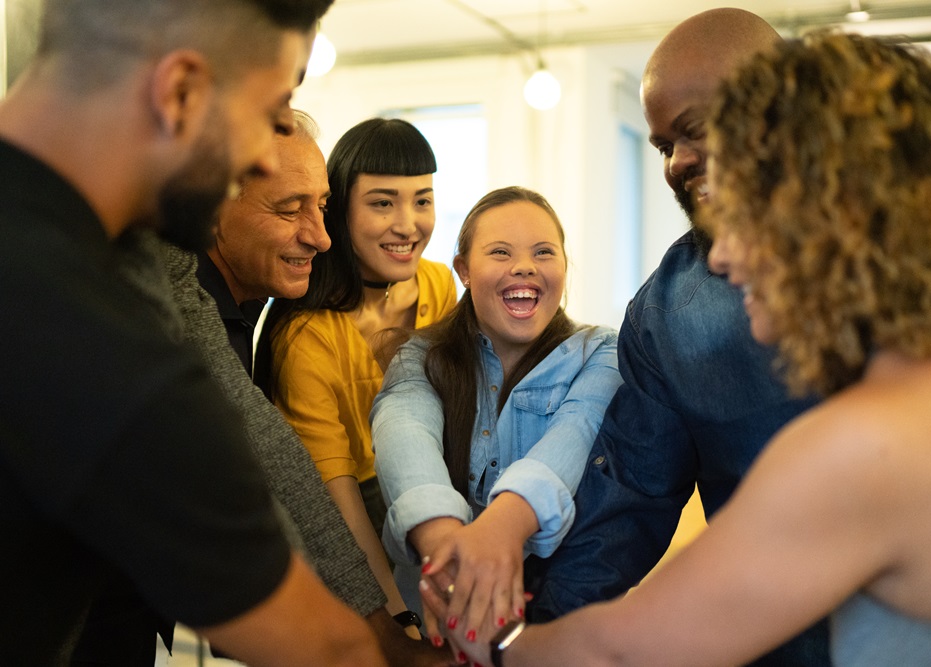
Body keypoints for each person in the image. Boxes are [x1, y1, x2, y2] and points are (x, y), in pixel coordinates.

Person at [444, 30, 931, 667]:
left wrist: (490, 641)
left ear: (841, 217)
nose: (725, 256)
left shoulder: (865, 446)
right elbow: (631, 496)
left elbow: (621, 651)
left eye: (752, 217)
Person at [0, 0, 387, 664]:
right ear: (179, 91)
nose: (268, 157)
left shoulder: (114, 278)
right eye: (269, 115)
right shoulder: (105, 345)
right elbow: (331, 651)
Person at [74, 111, 449, 665]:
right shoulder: (184, 300)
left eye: (320, 207)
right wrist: (374, 629)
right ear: (210, 209)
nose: (320, 237)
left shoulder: (252, 303)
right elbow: (266, 474)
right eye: (288, 208)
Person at [529, 8, 829, 664]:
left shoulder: (918, 269)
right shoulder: (668, 308)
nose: (677, 164)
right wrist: (536, 631)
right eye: (664, 145)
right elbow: (629, 495)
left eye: (693, 133)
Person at [372, 186, 622, 659]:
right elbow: (403, 434)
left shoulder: (602, 352)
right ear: (463, 269)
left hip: (556, 632)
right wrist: (445, 547)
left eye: (543, 252)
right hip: (431, 632)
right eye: (500, 252)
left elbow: (576, 430)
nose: (525, 266)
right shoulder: (419, 357)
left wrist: (503, 528)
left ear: (564, 267)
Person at [255, 116, 457, 626]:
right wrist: (394, 621)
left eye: (423, 200)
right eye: (383, 202)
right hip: (343, 534)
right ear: (339, 208)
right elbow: (336, 500)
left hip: (432, 502)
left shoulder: (439, 286)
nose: (409, 224)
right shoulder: (305, 336)